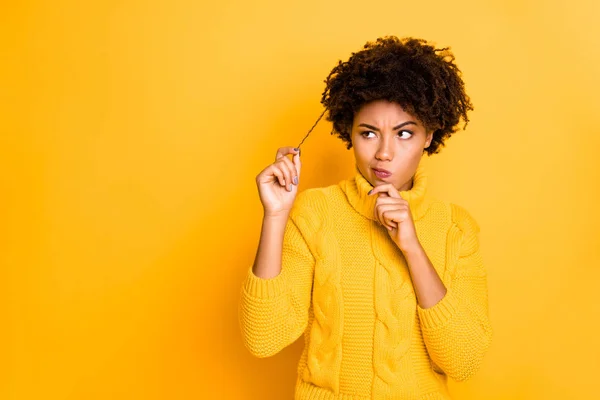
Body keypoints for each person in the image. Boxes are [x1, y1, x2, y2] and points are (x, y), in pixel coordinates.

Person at [238, 36, 493, 400]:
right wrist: (276, 216)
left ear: (429, 136)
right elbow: (264, 338)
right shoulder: (316, 213)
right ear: (350, 133)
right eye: (369, 133)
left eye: (404, 133)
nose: (384, 153)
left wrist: (413, 249)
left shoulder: (456, 228)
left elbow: (463, 361)